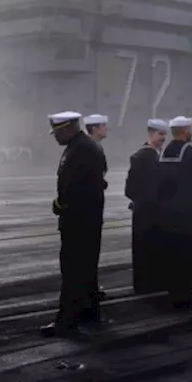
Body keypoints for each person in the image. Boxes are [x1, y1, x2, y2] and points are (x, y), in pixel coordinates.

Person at [42, 112, 106, 337]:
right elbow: (101, 180)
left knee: (72, 271)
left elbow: (74, 187)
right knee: (87, 270)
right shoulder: (90, 146)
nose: (56, 137)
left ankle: (66, 321)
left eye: (58, 132)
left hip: (77, 221)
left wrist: (59, 205)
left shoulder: (78, 150)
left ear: (68, 128)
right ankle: (90, 314)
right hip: (90, 219)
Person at [155, 116, 192, 308]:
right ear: (185, 130)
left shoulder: (164, 152)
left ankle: (173, 293)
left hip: (167, 211)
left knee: (172, 253)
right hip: (186, 210)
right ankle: (184, 296)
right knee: (187, 254)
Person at [126, 118, 168, 294]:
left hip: (145, 209)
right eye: (160, 134)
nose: (163, 138)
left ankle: (146, 283)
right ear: (151, 134)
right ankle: (148, 284)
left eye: (165, 134)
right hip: (148, 210)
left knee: (145, 247)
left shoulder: (148, 155)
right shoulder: (146, 156)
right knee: (147, 247)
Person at [83, 114, 110, 304]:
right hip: (88, 208)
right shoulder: (89, 148)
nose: (106, 129)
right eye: (103, 126)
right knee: (88, 251)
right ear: (95, 128)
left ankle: (91, 287)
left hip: (93, 206)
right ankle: (88, 290)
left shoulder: (93, 147)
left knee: (92, 252)